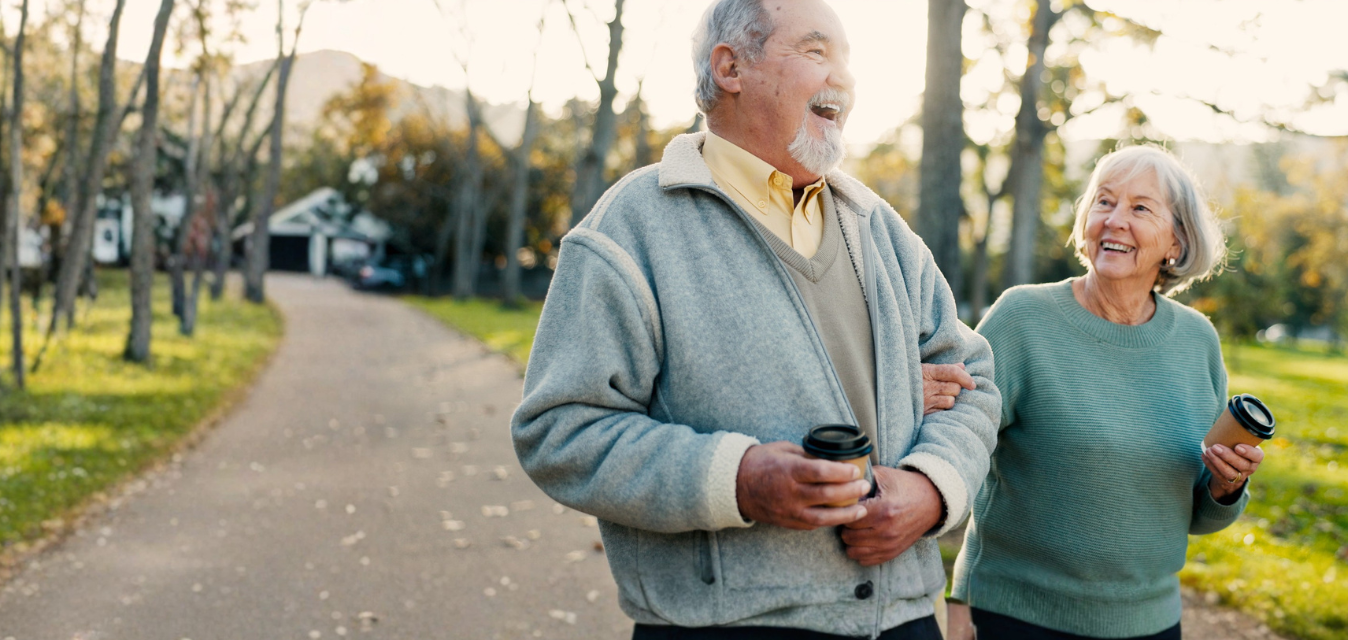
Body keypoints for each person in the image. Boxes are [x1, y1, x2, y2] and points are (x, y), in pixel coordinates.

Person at [511, 0, 1000, 637]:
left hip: (902, 617)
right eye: (817, 51)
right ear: (731, 67)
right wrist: (735, 479)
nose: (844, 79)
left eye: (848, 60)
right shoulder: (629, 228)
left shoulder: (879, 226)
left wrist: (929, 488)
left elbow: (973, 380)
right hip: (724, 625)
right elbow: (560, 431)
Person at [945, 145, 1265, 640]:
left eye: (1140, 208)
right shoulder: (1023, 319)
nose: (1115, 220)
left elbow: (1198, 513)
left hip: (1151, 624)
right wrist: (960, 598)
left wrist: (1227, 485)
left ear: (1176, 241)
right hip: (1016, 616)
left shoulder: (1197, 340)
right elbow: (955, 446)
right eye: (1104, 201)